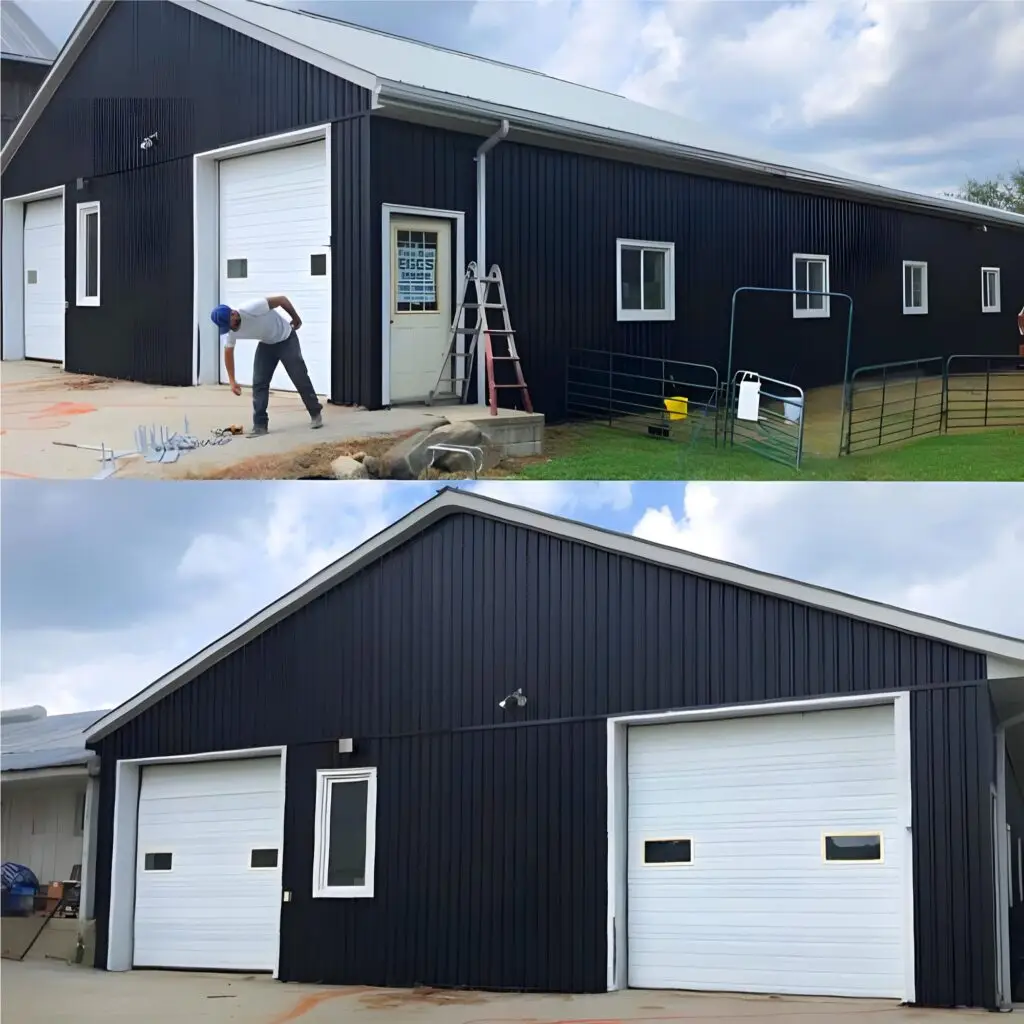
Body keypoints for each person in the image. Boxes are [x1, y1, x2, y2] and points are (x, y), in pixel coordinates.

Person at [210, 296, 323, 436]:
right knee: (259, 382)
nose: (230, 328)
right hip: (267, 344)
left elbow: (281, 300)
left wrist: (296, 318)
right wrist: (232, 381)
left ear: (233, 313)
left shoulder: (251, 308)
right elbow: (228, 353)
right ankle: (260, 426)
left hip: (286, 338)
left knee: (299, 376)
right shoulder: (230, 332)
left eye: (229, 324)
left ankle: (315, 413)